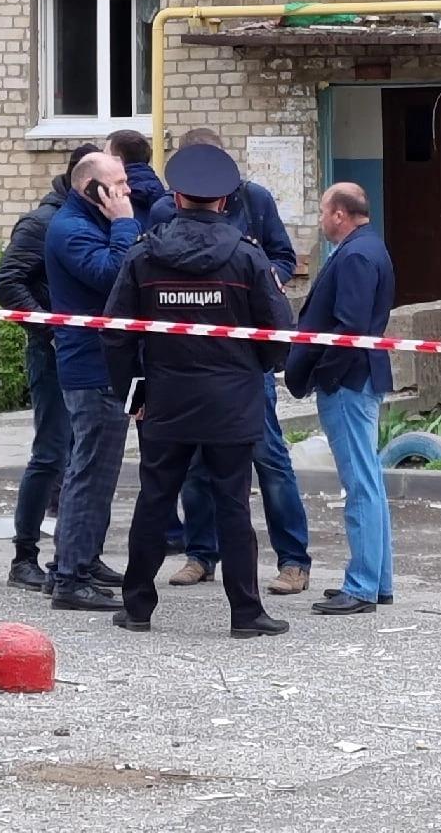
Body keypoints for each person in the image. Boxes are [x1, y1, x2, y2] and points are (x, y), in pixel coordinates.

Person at [105, 143, 297, 639]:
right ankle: (246, 614)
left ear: (175, 195)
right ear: (227, 200)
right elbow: (279, 332)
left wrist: (134, 394)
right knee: (233, 504)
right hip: (232, 403)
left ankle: (137, 608)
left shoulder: (144, 256)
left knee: (154, 500)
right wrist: (254, 372)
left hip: (164, 400)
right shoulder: (247, 259)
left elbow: (116, 334)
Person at [150, 124, 313, 597]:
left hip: (243, 359)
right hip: (191, 356)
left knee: (269, 458)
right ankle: (202, 555)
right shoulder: (165, 209)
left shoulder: (255, 200)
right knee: (197, 460)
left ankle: (293, 560)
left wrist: (271, 279)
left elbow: (283, 256)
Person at [0, 142, 99, 592]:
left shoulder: (86, 219)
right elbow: (5, 282)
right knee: (52, 453)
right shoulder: (43, 222)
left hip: (83, 353)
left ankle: (77, 557)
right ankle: (25, 556)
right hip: (54, 352)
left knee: (81, 456)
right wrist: (50, 329)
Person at [285, 183, 396, 614]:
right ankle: (377, 580)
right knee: (369, 481)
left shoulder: (354, 256)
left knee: (361, 485)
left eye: (322, 212)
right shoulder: (370, 248)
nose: (320, 220)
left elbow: (348, 328)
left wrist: (322, 375)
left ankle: (363, 584)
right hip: (359, 376)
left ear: (339, 215)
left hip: (348, 382)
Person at [42, 149, 139, 611]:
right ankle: (70, 577)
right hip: (90, 366)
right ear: (92, 189)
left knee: (99, 472)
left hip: (106, 365)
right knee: (89, 471)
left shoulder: (89, 221)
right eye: (117, 184)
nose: (126, 191)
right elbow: (114, 275)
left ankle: (81, 558)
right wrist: (123, 223)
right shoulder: (72, 228)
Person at [110, 129, 168, 230]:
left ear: (118, 160)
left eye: (105, 155)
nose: (100, 159)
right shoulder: (161, 191)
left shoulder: (113, 195)